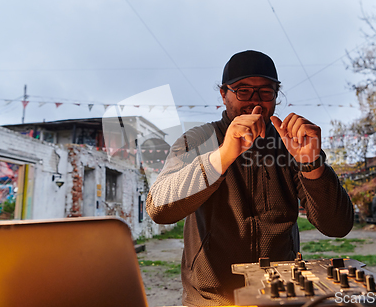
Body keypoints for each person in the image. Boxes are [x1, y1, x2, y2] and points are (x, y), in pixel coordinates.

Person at [146, 50, 354, 306]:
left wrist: (311, 164)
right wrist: (222, 155)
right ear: (224, 94)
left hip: (280, 296)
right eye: (243, 90)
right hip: (213, 299)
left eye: (265, 91)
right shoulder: (198, 139)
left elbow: (338, 226)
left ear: (276, 96)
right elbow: (158, 209)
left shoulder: (291, 146)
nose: (255, 101)